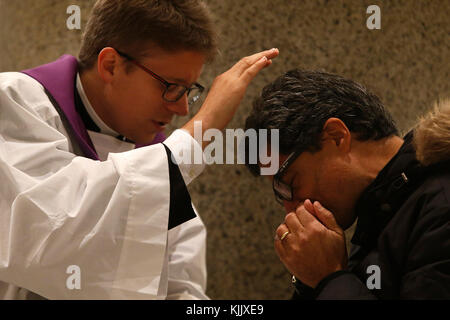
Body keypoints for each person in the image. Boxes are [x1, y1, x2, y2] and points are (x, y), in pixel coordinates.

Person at [0, 0, 279, 299]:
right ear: (111, 65)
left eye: (189, 91)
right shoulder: (15, 101)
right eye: (171, 86)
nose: (182, 108)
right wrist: (202, 130)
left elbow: (181, 285)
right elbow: (42, 237)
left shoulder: (156, 161)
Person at [244, 69, 450, 299]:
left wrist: (329, 277)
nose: (291, 209)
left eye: (289, 184)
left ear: (336, 136)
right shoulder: (381, 211)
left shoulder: (442, 203)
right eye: (280, 195)